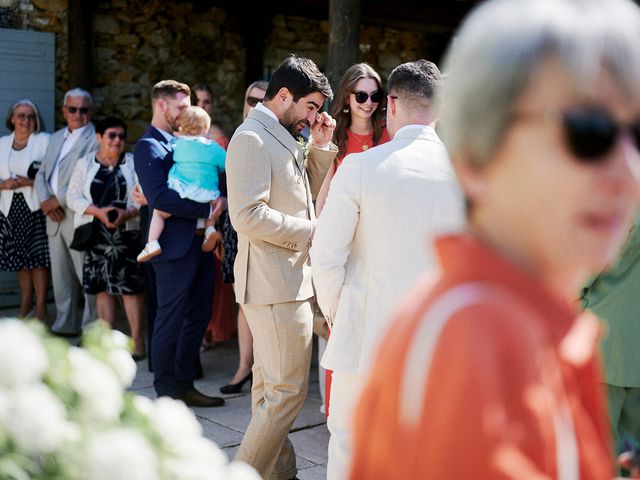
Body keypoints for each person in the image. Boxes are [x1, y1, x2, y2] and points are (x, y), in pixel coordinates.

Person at [349, 0, 640, 478]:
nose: (629, 171)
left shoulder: (516, 322)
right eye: (590, 130)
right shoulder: (471, 346)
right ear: (478, 155)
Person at [310, 60, 465, 479]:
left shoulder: (361, 167)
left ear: (391, 104)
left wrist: (341, 314)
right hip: (437, 345)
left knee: (351, 446)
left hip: (364, 339)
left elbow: (325, 256)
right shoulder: (466, 178)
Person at [226, 56, 337, 479]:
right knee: (287, 395)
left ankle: (281, 474)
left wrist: (321, 147)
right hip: (275, 285)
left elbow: (299, 192)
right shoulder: (251, 138)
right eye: (310, 106)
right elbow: (248, 216)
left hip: (284, 281)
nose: (314, 116)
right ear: (284, 95)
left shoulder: (281, 133)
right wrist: (314, 231)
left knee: (269, 393)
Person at [134, 80, 225, 408]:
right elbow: (161, 197)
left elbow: (218, 173)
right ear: (161, 104)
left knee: (199, 315)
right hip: (171, 247)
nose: (186, 113)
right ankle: (166, 390)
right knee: (169, 317)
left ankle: (186, 383)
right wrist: (206, 208)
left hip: (202, 244)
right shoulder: (148, 146)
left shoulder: (190, 142)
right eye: (180, 107)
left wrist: (222, 200)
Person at [315, 62, 392, 417]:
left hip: (378, 243)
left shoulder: (388, 137)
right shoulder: (336, 141)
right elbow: (323, 198)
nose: (369, 102)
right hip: (344, 243)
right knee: (339, 328)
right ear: (347, 97)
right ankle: (337, 410)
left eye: (375, 95)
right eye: (361, 95)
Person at [67, 116, 145, 358]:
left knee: (130, 288)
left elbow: (141, 195)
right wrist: (98, 212)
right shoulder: (85, 164)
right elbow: (73, 197)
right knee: (102, 288)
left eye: (121, 136)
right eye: (111, 135)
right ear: (99, 137)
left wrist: (128, 212)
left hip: (126, 234)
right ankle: (108, 341)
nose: (117, 140)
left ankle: (137, 341)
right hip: (96, 233)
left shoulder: (132, 163)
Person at [35, 88, 98, 336]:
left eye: (83, 110)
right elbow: (42, 173)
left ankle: (92, 328)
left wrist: (55, 202)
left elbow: (83, 179)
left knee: (86, 275)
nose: (78, 114)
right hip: (53, 215)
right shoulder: (56, 137)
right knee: (60, 276)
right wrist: (45, 201)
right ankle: (65, 323)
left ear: (89, 112)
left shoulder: (95, 138)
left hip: (77, 215)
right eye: (72, 109)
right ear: (64, 110)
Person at [217, 79, 268, 394]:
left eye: (263, 100)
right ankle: (243, 367)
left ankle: (261, 368)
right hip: (234, 229)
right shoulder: (235, 137)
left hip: (262, 228)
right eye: (252, 99)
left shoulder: (278, 137)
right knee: (243, 301)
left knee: (263, 302)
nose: (256, 105)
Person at [582, 216, 640, 472]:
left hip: (605, 340)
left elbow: (589, 270)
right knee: (631, 454)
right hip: (633, 351)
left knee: (601, 445)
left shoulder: (624, 214)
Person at [137, 106, 225, 262]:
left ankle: (152, 242)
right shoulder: (213, 148)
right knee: (211, 208)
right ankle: (210, 229)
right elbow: (227, 164)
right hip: (208, 192)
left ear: (182, 128)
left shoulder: (178, 146)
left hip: (183, 189)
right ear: (206, 128)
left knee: (159, 211)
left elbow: (172, 155)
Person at [0, 99, 51, 322]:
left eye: (31, 116)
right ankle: (25, 302)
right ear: (12, 119)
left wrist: (31, 182)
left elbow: (54, 173)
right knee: (20, 260)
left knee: (38, 260)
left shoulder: (43, 141)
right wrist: (3, 184)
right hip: (10, 208)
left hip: (35, 207)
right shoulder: (2, 144)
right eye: (21, 116)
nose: (26, 121)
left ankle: (40, 308)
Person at [192, 83, 229, 150]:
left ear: (212, 106)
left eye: (206, 102)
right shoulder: (178, 131)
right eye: (197, 101)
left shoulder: (218, 137)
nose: (201, 106)